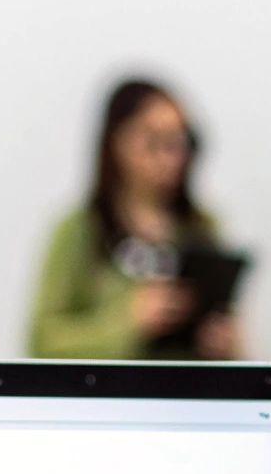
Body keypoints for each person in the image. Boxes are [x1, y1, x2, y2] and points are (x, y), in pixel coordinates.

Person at [29, 78, 242, 360]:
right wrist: (128, 321)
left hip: (185, 396)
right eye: (156, 140)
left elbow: (228, 332)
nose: (172, 157)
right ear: (118, 142)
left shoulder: (203, 225)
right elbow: (41, 342)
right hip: (107, 398)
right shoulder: (80, 229)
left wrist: (226, 344)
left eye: (181, 141)